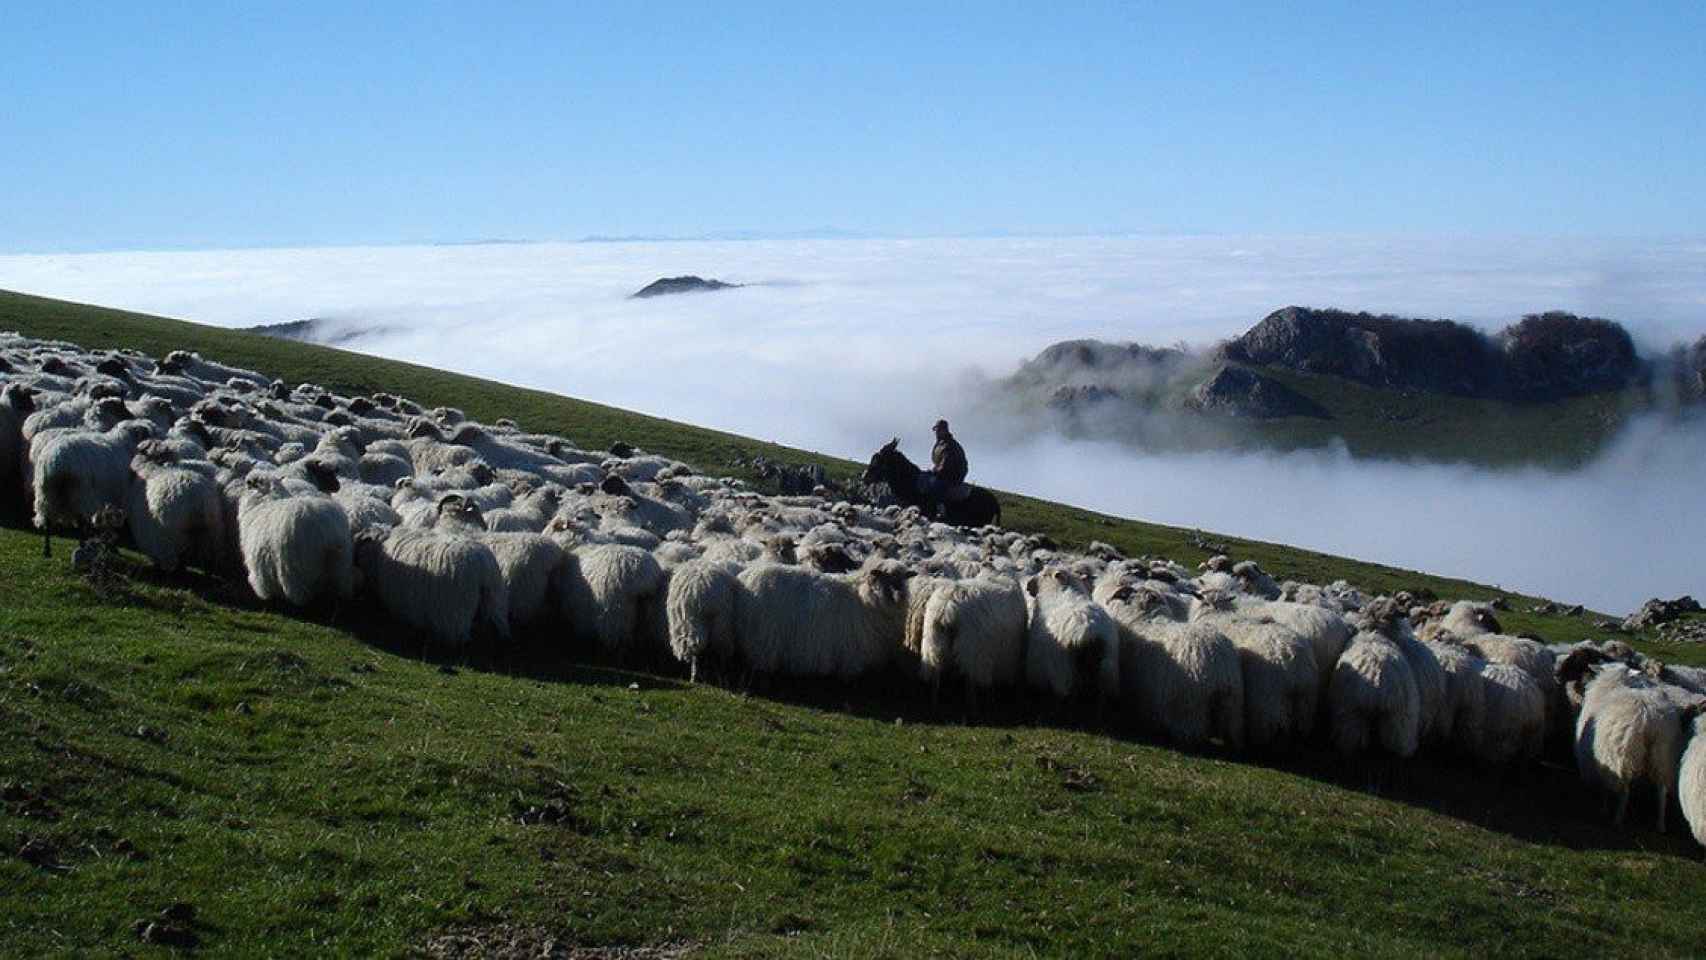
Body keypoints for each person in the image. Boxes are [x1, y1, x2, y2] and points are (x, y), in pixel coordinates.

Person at [921, 418, 968, 517]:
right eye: (936, 430)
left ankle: (939, 510)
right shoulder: (940, 443)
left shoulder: (950, 445)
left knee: (935, 486)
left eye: (938, 430)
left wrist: (935, 472)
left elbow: (945, 465)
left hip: (952, 476)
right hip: (943, 473)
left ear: (944, 430)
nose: (936, 432)